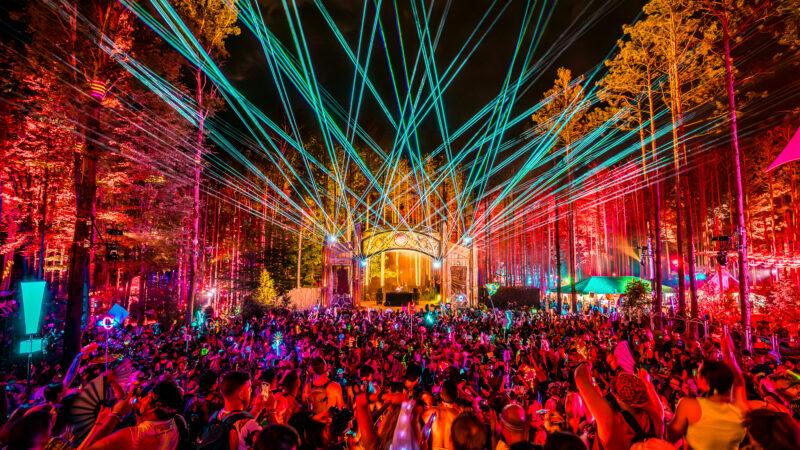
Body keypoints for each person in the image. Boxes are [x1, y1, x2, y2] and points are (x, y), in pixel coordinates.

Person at [668, 332, 748, 450]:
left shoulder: (689, 406)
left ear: (705, 382)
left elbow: (670, 437)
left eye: (698, 375)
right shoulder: (739, 409)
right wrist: (728, 355)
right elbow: (739, 382)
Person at [80, 380, 183, 450]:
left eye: (148, 396)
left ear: (157, 405)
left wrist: (113, 417)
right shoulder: (175, 423)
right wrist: (141, 418)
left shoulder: (136, 435)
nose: (142, 399)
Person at [202, 371, 261, 450]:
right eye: (249, 388)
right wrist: (271, 411)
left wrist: (258, 408)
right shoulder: (250, 425)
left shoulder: (215, 415)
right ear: (241, 394)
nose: (251, 391)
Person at [302, 357, 344, 421]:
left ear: (312, 370)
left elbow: (304, 403)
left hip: (313, 422)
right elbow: (340, 408)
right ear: (326, 368)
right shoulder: (335, 386)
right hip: (327, 423)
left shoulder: (308, 386)